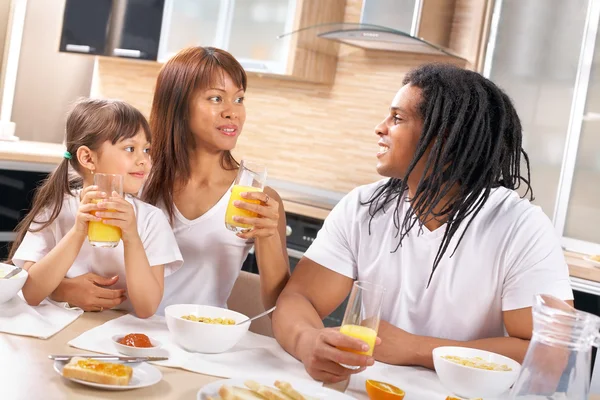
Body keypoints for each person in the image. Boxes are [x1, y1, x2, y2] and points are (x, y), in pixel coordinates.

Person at [272, 63, 574, 383]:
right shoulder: (363, 207)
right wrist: (308, 343)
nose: (380, 127)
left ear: (443, 138)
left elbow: (549, 354)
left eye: (397, 118)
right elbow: (298, 299)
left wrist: (417, 348)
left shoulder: (521, 227)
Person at [141, 46, 289, 314]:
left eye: (240, 99)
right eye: (216, 98)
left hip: (198, 342)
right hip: (122, 333)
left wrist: (268, 237)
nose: (233, 112)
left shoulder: (256, 198)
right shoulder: (138, 178)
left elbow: (278, 307)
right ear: (177, 105)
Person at [9, 98, 183, 318]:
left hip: (117, 333)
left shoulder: (151, 220)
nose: (144, 161)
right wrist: (78, 231)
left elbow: (147, 308)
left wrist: (131, 236)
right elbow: (31, 293)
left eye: (147, 149)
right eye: (130, 148)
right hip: (57, 326)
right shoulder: (56, 209)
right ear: (88, 158)